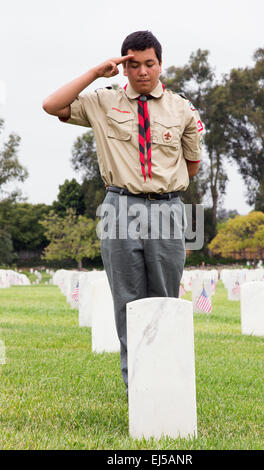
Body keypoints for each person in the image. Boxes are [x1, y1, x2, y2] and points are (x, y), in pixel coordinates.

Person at [43, 30, 203, 394]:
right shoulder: (103, 102)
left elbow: (191, 166)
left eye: (149, 63)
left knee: (165, 300)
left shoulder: (182, 109)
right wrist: (95, 73)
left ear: (160, 64)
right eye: (133, 64)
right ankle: (140, 389)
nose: (142, 71)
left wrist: (158, 187)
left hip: (166, 209)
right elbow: (52, 106)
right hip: (119, 207)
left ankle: (167, 386)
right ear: (122, 66)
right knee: (126, 301)